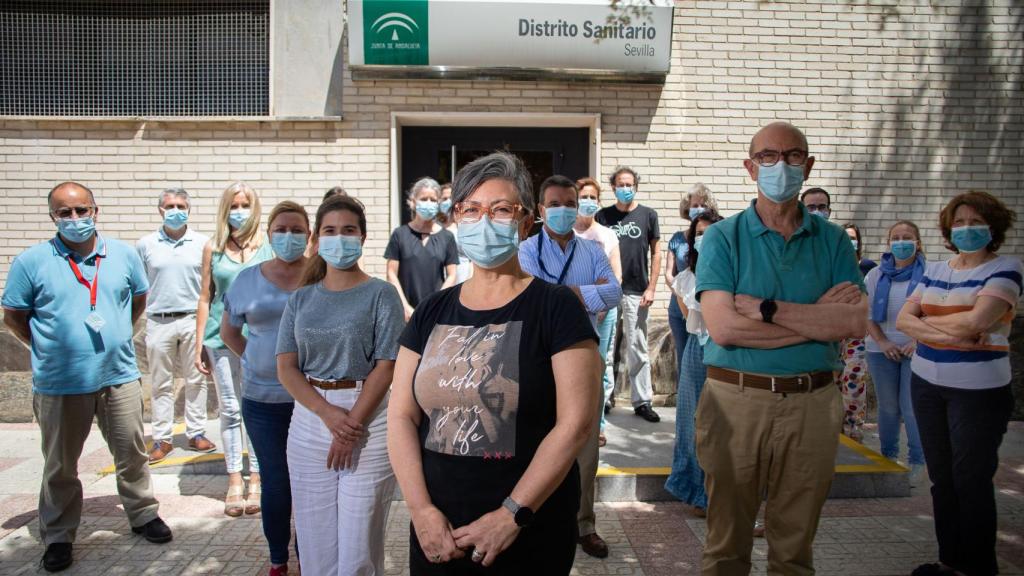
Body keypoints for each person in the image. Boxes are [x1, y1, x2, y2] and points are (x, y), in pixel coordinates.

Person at [387, 152, 600, 575]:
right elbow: (401, 417)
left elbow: (575, 424)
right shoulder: (433, 311)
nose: (485, 221)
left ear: (524, 222)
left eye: (501, 209)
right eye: (471, 209)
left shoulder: (557, 307)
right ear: (457, 218)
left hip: (529, 528)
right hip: (440, 533)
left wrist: (511, 515)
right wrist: (421, 510)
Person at [696, 122, 867, 574]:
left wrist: (767, 310)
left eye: (793, 156)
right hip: (737, 401)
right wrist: (817, 322)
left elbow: (854, 320)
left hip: (813, 403)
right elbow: (725, 329)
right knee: (726, 547)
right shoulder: (722, 237)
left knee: (794, 549)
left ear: (807, 166)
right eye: (768, 157)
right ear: (751, 168)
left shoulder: (831, 240)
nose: (781, 165)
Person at [2, 182, 172, 573]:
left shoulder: (124, 255)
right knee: (60, 465)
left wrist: (114, 335)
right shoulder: (31, 261)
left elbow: (137, 300)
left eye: (82, 211)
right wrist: (48, 346)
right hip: (60, 383)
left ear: (96, 210)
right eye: (65, 213)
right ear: (53, 217)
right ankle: (59, 535)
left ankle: (143, 514)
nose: (75, 219)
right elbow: (13, 317)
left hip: (119, 376)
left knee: (132, 454)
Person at [276, 195, 405, 576]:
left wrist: (349, 428)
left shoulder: (380, 294)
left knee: (358, 545)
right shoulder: (301, 298)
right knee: (315, 544)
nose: (340, 238)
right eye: (330, 231)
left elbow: (387, 366)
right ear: (317, 238)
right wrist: (327, 413)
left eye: (349, 230)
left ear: (363, 237)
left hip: (368, 417)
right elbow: (286, 367)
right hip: (311, 417)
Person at [897, 191, 1021, 576]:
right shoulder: (935, 269)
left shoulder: (1006, 268)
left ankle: (979, 567)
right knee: (942, 478)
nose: (967, 229)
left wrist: (928, 329)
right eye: (960, 222)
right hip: (927, 384)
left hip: (979, 391)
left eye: (976, 222)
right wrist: (954, 335)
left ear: (993, 227)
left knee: (971, 479)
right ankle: (949, 561)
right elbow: (902, 320)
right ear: (949, 229)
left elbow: (977, 322)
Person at [518, 175, 621, 560]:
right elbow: (530, 296)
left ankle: (584, 525)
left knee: (585, 448)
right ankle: (532, 517)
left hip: (583, 356)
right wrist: (584, 295)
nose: (563, 210)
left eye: (570, 203)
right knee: (536, 441)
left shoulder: (593, 251)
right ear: (542, 211)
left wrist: (565, 293)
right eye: (555, 204)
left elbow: (613, 295)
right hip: (537, 357)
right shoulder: (526, 251)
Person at [221, 201, 310, 576]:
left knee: (309, 483)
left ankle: (309, 554)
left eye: (297, 230)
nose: (288, 236)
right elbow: (229, 333)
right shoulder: (246, 279)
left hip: (312, 401)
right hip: (262, 401)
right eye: (281, 229)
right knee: (276, 480)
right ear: (269, 233)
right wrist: (262, 361)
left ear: (309, 235)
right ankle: (278, 560)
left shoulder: (323, 276)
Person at [194, 182, 272, 516]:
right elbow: (205, 296)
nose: (239, 212)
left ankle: (257, 477)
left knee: (254, 407)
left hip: (259, 339)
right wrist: (198, 343)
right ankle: (234, 479)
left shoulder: (268, 246)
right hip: (220, 338)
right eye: (234, 206)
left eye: (245, 205)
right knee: (229, 408)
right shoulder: (214, 246)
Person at [136, 188, 215, 463]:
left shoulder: (203, 242)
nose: (175, 210)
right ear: (160, 210)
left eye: (181, 205)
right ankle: (162, 438)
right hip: (159, 320)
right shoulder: (145, 245)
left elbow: (209, 286)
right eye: (170, 205)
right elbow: (139, 284)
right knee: (161, 383)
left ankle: (196, 433)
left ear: (189, 209)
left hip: (193, 319)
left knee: (197, 379)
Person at [664, 209, 722, 517]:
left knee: (730, 428)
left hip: (732, 354)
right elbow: (694, 322)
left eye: (710, 233)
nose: (704, 238)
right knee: (694, 424)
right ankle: (699, 494)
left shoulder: (737, 275)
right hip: (699, 353)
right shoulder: (684, 280)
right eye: (698, 233)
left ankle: (728, 496)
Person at [595, 166, 662, 423]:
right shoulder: (603, 216)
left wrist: (652, 287)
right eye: (621, 184)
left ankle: (642, 401)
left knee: (638, 347)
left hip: (637, 290)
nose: (626, 188)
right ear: (613, 187)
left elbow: (656, 253)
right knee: (608, 346)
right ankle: (607, 397)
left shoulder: (648, 215)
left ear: (636, 186)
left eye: (630, 184)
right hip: (609, 290)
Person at [864, 220, 926, 483]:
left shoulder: (930, 273)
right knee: (888, 407)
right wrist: (883, 342)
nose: (901, 242)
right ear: (889, 243)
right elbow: (866, 315)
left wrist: (918, 340)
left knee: (911, 407)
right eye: (896, 237)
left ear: (918, 243)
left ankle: (917, 461)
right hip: (881, 349)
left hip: (917, 349)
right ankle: (888, 457)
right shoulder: (875, 275)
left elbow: (934, 312)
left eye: (907, 237)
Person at [574, 177, 622, 445]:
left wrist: (601, 306)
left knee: (598, 369)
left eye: (594, 197)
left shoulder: (607, 235)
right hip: (571, 312)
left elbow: (617, 276)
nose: (589, 202)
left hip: (603, 313)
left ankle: (597, 426)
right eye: (584, 196)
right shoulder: (564, 233)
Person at [664, 183, 717, 389]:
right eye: (695, 204)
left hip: (707, 308)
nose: (698, 208)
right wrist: (681, 292)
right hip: (680, 306)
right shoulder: (678, 238)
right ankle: (684, 397)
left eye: (703, 204)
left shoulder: (715, 233)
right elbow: (669, 273)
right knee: (686, 356)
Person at [386, 177, 459, 320]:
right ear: (413, 202)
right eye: (424, 199)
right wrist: (405, 307)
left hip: (436, 312)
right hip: (405, 314)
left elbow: (452, 275)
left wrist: (436, 303)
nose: (428, 203)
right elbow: (391, 273)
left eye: (433, 200)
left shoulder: (447, 237)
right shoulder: (399, 234)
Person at [838, 222, 874, 440]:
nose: (850, 242)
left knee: (854, 383)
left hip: (857, 337)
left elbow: (866, 302)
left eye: (853, 238)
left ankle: (854, 431)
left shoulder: (867, 267)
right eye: (845, 237)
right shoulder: (830, 263)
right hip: (832, 334)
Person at [439, 182, 474, 284]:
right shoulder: (435, 226)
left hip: (462, 277)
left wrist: (469, 281)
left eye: (450, 198)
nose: (448, 201)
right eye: (444, 199)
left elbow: (472, 259)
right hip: (440, 279)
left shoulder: (466, 225)